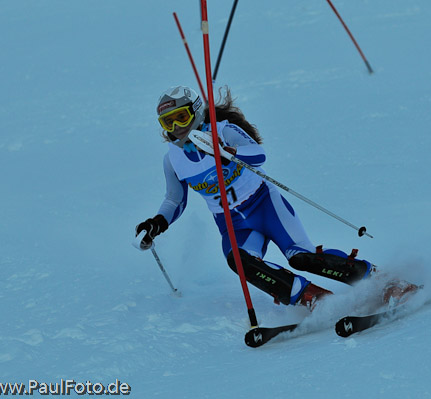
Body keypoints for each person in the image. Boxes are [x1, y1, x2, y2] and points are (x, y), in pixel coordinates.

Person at [136, 85, 391, 310]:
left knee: (302, 258)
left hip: (265, 204)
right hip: (232, 223)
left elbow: (259, 154)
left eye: (181, 117)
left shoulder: (223, 131)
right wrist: (156, 222)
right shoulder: (173, 159)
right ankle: (312, 297)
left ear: (197, 110)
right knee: (241, 261)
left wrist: (229, 152)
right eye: (168, 123)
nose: (177, 128)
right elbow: (174, 199)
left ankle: (378, 279)